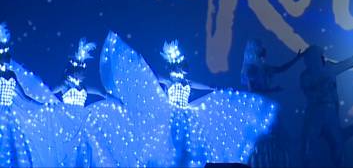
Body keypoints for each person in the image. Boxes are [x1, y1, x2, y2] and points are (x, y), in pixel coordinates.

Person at [99, 32, 277, 167]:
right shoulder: (169, 81)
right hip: (171, 114)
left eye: (181, 67)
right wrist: (145, 72)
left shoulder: (187, 82)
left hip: (186, 114)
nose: (180, 70)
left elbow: (199, 85)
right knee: (171, 143)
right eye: (178, 67)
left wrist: (212, 89)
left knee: (188, 143)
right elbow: (156, 78)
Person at [41, 38, 137, 166]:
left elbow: (102, 93)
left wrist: (117, 101)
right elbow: (48, 92)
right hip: (67, 118)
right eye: (82, 71)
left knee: (86, 147)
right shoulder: (64, 85)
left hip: (83, 118)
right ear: (75, 71)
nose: (84, 74)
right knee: (69, 148)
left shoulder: (84, 87)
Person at [300, 44, 353, 167]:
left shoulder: (326, 69)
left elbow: (346, 64)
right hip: (317, 111)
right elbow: (309, 93)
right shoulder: (307, 75)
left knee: (336, 140)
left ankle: (337, 163)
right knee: (311, 140)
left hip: (327, 110)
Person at [241, 39, 302, 167]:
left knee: (274, 133)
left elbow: (281, 68)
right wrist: (272, 90)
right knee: (260, 135)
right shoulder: (250, 69)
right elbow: (253, 90)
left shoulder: (264, 68)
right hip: (257, 106)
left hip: (266, 104)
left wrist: (296, 59)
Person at [0, 23, 46, 167]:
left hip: (9, 113)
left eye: (7, 52)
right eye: (3, 52)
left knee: (12, 146)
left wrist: (40, 104)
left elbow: (24, 96)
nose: (7, 55)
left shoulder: (12, 74)